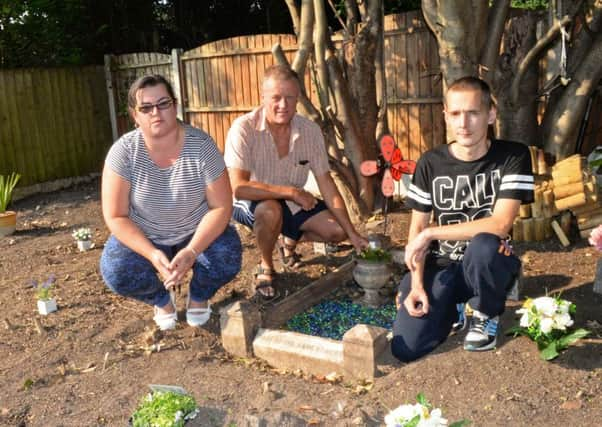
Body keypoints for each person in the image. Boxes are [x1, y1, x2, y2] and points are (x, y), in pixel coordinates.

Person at [391, 76, 534, 362]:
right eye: (455, 114)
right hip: (442, 265)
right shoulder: (430, 162)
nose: (463, 124)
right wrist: (416, 283)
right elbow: (417, 228)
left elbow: (500, 224)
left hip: (488, 263)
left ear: (490, 115)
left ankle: (485, 312)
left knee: (484, 245)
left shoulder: (512, 156)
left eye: (473, 113)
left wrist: (432, 234)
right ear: (445, 115)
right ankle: (453, 306)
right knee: (405, 347)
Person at [100, 74, 241, 331]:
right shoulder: (123, 153)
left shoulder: (202, 146)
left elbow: (221, 207)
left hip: (194, 233)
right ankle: (161, 300)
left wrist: (192, 251)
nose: (156, 112)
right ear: (135, 115)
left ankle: (199, 295)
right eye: (146, 107)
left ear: (175, 106)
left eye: (163, 103)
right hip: (148, 236)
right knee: (115, 269)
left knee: (227, 256)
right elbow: (116, 216)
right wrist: (152, 254)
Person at [224, 65, 367, 299]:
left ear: (298, 98)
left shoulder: (309, 130)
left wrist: (352, 233)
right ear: (263, 97)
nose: (284, 105)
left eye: (290, 98)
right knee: (270, 211)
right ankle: (266, 265)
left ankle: (288, 240)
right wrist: (290, 192)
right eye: (276, 98)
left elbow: (326, 184)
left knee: (337, 230)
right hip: (251, 201)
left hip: (292, 202)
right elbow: (239, 188)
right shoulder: (244, 128)